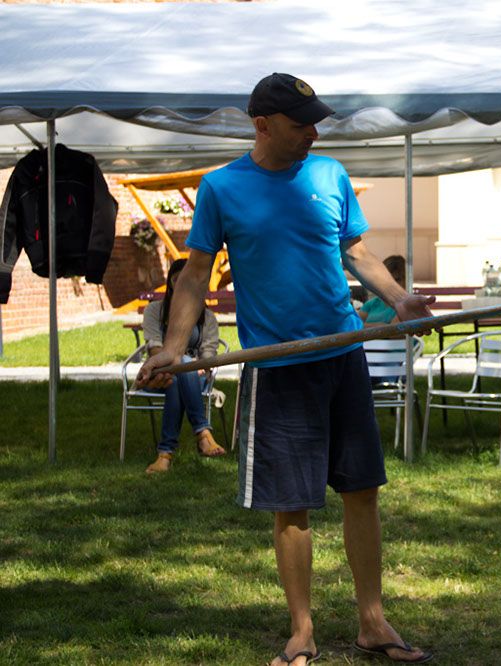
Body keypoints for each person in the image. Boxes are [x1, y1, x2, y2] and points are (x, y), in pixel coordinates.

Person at [136, 73, 434, 665]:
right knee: (290, 503)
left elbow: (357, 252)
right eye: (302, 125)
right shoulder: (222, 187)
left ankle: (373, 622)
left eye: (316, 123)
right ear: (263, 125)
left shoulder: (330, 175)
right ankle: (302, 631)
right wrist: (173, 346)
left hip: (343, 355)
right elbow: (195, 275)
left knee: (362, 491)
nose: (313, 135)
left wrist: (400, 300)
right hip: (278, 367)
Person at [144, 258, 225, 474]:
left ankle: (165, 455)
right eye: (177, 280)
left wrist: (199, 365)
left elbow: (208, 354)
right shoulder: (154, 310)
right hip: (159, 374)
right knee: (179, 369)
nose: (181, 285)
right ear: (170, 283)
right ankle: (203, 433)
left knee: (180, 374)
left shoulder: (207, 317)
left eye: (186, 281)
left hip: (196, 375)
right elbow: (154, 348)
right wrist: (177, 363)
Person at [358, 255, 405, 326]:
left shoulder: (406, 305)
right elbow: (353, 328)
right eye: (388, 279)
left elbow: (393, 330)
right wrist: (383, 325)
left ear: (406, 280)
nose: (392, 284)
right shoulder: (372, 303)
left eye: (397, 279)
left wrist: (364, 326)